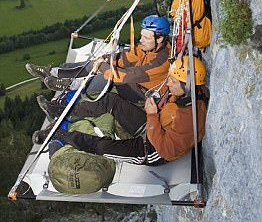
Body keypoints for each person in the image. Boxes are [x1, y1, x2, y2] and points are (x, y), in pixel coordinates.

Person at [34, 56, 208, 166]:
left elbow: (165, 150)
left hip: (151, 150)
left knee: (102, 146)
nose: (169, 83)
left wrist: (153, 115)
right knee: (112, 101)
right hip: (151, 127)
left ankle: (59, 136)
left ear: (187, 86)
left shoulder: (191, 117)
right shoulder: (185, 97)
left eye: (174, 81)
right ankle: (64, 111)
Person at [26, 15, 171, 104]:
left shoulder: (161, 62)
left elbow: (126, 76)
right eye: (141, 35)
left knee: (109, 77)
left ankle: (71, 85)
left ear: (160, 38)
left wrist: (102, 66)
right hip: (134, 82)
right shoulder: (147, 48)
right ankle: (53, 72)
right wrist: (106, 59)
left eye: (146, 37)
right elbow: (125, 58)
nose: (141, 40)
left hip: (142, 95)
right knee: (101, 64)